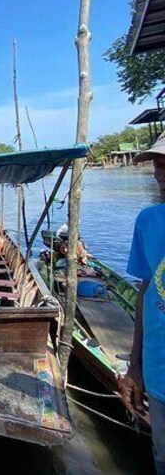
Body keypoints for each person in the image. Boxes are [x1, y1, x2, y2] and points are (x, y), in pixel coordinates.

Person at [123, 133, 165, 473]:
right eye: (158, 165)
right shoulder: (147, 220)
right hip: (157, 371)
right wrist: (134, 366)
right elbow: (144, 290)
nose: (161, 174)